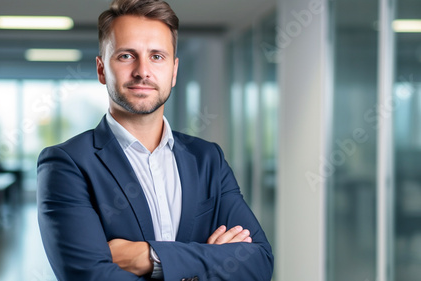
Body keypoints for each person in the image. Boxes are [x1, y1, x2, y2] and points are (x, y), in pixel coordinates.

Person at [37, 0, 274, 280]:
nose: (143, 71)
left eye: (157, 56)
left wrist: (151, 257)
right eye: (126, 56)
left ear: (173, 72)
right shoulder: (67, 164)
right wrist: (207, 261)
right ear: (102, 69)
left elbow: (259, 260)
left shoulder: (207, 158)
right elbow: (90, 276)